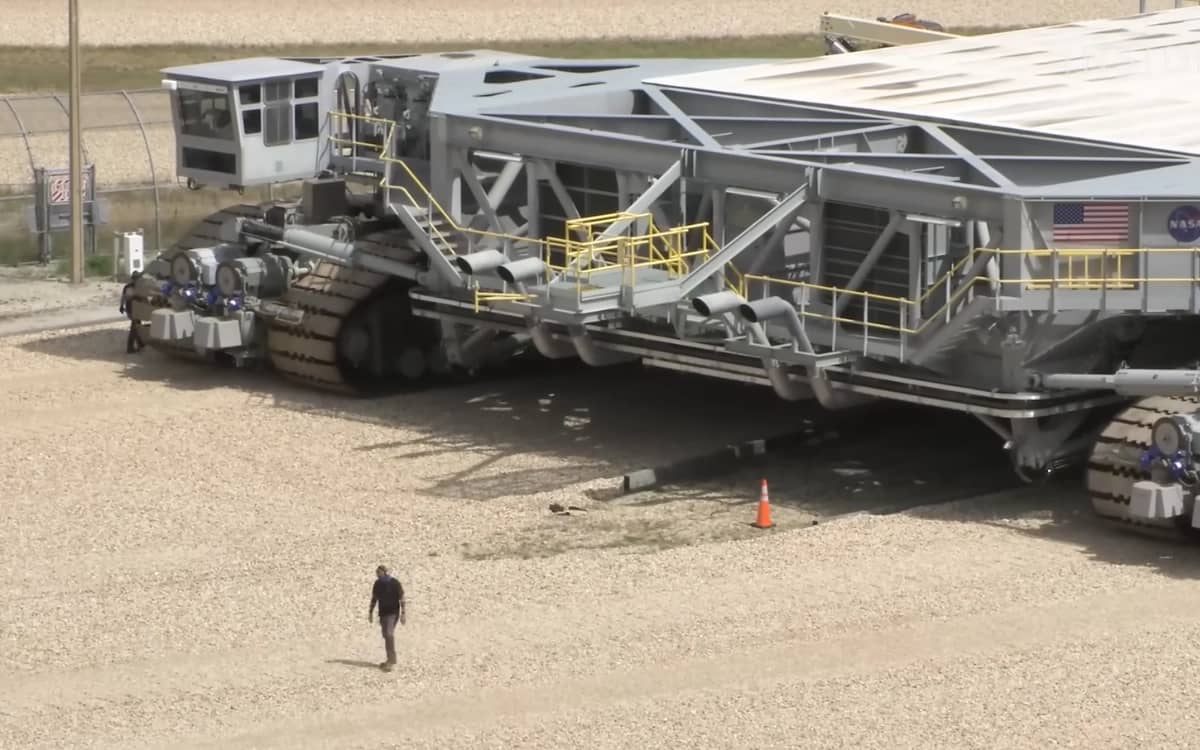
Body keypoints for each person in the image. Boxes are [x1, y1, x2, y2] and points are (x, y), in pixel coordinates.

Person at [368, 565, 406, 671]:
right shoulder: (377, 584)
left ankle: (391, 661)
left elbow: (402, 598)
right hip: (383, 614)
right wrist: (370, 612)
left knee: (389, 634)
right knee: (386, 635)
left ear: (384, 572)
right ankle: (389, 659)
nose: (377, 574)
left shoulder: (394, 583)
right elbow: (374, 599)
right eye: (376, 572)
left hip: (393, 613)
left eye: (379, 572)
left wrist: (403, 613)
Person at [118, 271, 145, 354]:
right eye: (136, 278)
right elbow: (125, 298)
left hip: (137, 309)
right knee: (134, 327)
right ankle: (130, 348)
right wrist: (121, 306)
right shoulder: (130, 287)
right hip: (133, 310)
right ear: (134, 279)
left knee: (137, 325)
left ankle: (140, 343)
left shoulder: (137, 286)